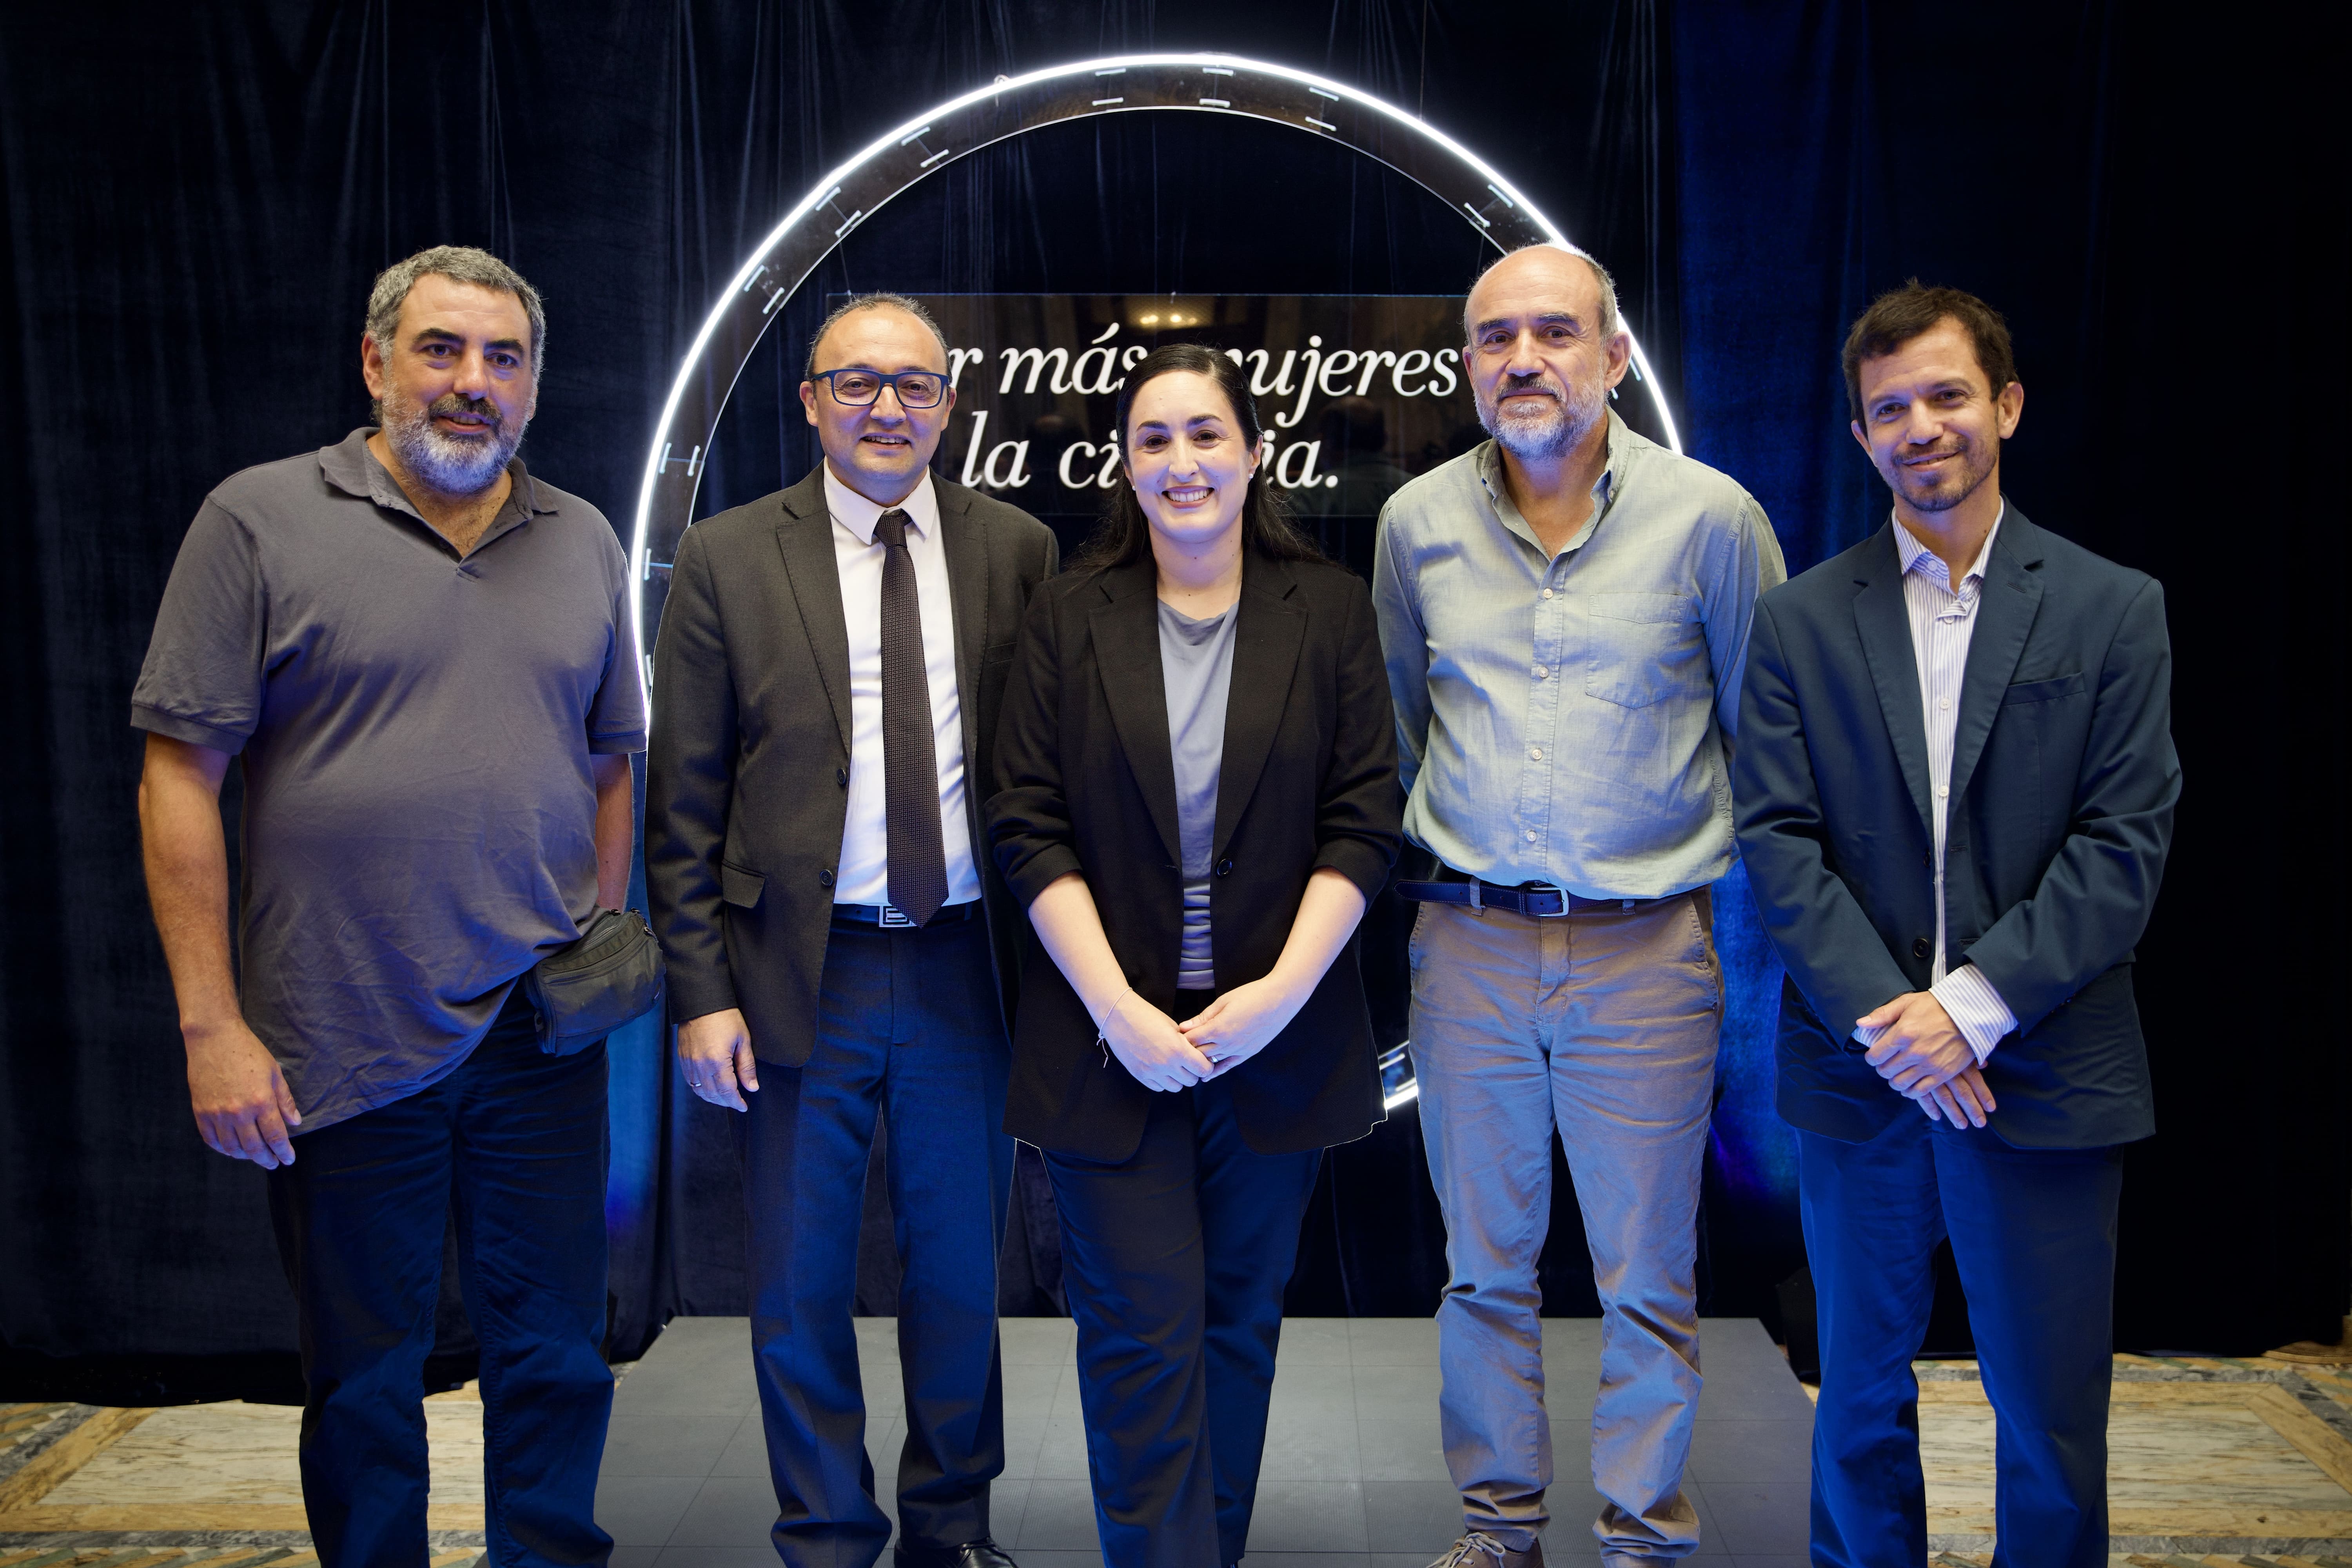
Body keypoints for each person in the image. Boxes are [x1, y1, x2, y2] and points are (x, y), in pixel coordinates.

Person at [133, 245, 638, 1565]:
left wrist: (596, 947)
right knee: (364, 1380)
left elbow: (610, 763)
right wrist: (212, 1028)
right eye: (441, 349)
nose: (474, 382)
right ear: (375, 363)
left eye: (504, 358)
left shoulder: (582, 537)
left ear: (534, 384)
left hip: (540, 1038)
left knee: (558, 1356)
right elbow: (179, 777)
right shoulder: (257, 520)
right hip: (338, 1032)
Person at [1734, 283, 2176, 1566]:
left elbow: (2125, 844)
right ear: (1860, 435)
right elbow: (1779, 842)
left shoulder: (2111, 607)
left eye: (1947, 396)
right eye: (1891, 409)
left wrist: (1968, 1013)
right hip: (1862, 1068)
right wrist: (1899, 1027)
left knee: (2049, 1415)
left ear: (2008, 406)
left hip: (2044, 1061)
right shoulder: (1800, 619)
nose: (1921, 427)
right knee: (1855, 1403)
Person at [1370, 243, 1786, 1568]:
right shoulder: (1414, 525)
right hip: (1468, 948)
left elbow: (1768, 742)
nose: (1524, 359)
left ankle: (1643, 1537)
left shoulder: (1713, 520)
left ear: (1611, 357)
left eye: (1555, 332)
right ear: (1468, 367)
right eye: (1496, 338)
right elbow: (1399, 733)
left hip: (1645, 953)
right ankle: (1501, 1531)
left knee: (1648, 1278)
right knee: (1482, 1271)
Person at [645, 293, 1058, 1568]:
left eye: (914, 384)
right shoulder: (726, 556)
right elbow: (683, 804)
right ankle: (825, 1532)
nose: (888, 407)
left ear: (949, 405)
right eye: (858, 382)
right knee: (800, 1278)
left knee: (960, 1276)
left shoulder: (1020, 549)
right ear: (811, 400)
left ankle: (952, 1529)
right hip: (790, 972)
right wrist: (701, 994)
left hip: (963, 968)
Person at [986, 343, 1400, 1568]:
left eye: (1206, 434)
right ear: (1125, 465)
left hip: (1275, 1043)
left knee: (1233, 1330)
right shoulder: (1068, 615)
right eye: (1154, 439)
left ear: (1255, 453)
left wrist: (1279, 996)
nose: (1182, 462)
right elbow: (1026, 822)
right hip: (1107, 1044)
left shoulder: (1328, 609)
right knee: (1137, 1336)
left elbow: (1364, 818)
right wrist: (1117, 1009)